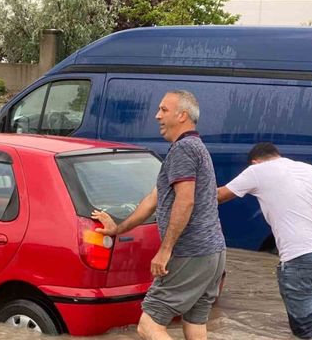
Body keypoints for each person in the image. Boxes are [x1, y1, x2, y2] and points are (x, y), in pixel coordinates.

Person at [93, 91, 226, 340]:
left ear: (182, 115)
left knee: (149, 326)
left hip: (189, 253)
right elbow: (152, 200)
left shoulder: (183, 150)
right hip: (213, 253)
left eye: (164, 110)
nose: (157, 116)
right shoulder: (196, 147)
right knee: (194, 323)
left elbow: (185, 201)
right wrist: (118, 228)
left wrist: (165, 250)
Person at [217, 142, 312, 339]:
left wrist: (183, 195)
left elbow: (219, 196)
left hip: (300, 260)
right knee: (308, 320)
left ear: (255, 162)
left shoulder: (257, 171)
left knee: (305, 332)